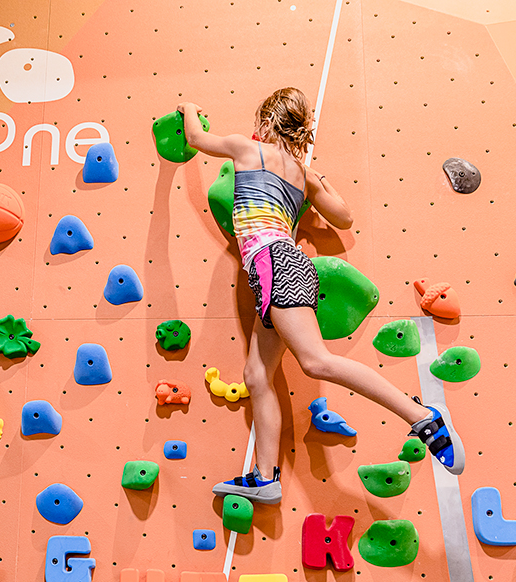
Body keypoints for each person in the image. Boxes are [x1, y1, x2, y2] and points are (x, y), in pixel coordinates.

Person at [177, 88, 464, 504]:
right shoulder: (303, 174)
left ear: (266, 122)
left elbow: (196, 139)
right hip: (278, 268)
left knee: (315, 361)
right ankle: (264, 477)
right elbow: (344, 216)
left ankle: (424, 418)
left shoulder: (246, 148)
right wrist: (316, 180)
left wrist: (188, 108)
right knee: (257, 376)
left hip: (272, 263)